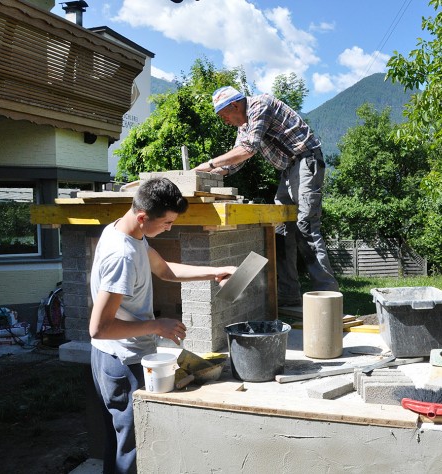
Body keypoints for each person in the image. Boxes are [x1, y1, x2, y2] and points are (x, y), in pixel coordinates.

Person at [89, 177, 236, 473]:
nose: (169, 228)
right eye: (167, 223)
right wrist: (157, 325)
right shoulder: (122, 256)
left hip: (115, 355)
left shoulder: (128, 231)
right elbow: (99, 328)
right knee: (131, 450)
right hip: (121, 361)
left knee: (121, 444)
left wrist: (215, 271)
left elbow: (164, 269)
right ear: (143, 217)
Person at [194, 86, 338, 307]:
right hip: (288, 169)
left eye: (224, 116)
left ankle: (328, 298)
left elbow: (249, 148)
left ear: (234, 105)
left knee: (306, 226)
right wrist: (212, 173)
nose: (225, 121)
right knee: (281, 227)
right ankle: (289, 295)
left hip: (305, 161)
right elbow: (237, 159)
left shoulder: (260, 105)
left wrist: (211, 162)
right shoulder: (244, 126)